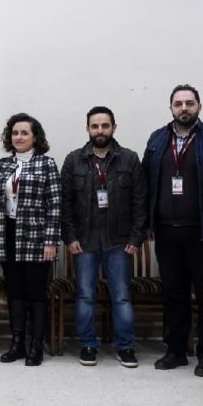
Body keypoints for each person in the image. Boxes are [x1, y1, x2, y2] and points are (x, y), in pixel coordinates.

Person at [143, 84, 203, 377]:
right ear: (170, 107)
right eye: (178, 103)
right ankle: (176, 350)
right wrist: (147, 223)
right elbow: (146, 182)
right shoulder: (158, 139)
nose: (184, 108)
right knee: (173, 294)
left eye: (189, 103)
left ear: (199, 106)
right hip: (167, 232)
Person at [60, 107, 147, 367]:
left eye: (105, 126)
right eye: (95, 126)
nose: (100, 131)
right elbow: (65, 202)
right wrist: (69, 236)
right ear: (87, 128)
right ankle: (88, 344)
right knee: (85, 294)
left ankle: (125, 346)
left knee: (121, 295)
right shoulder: (73, 160)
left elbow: (140, 201)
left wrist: (136, 237)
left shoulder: (129, 159)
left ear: (114, 127)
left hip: (119, 241)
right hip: (84, 241)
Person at [0, 113, 61, 366]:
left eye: (24, 133)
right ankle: (17, 343)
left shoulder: (46, 164)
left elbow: (55, 206)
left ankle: (36, 345)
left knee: (36, 293)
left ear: (35, 137)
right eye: (15, 133)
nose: (19, 137)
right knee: (14, 291)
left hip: (36, 238)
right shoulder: (3, 165)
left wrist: (51, 241)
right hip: (7, 234)